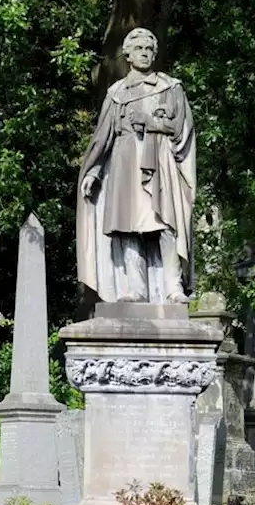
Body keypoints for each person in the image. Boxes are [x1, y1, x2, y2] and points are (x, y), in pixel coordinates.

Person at [75, 27, 197, 304]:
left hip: (160, 163)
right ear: (128, 55)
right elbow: (103, 138)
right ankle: (135, 289)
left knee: (166, 224)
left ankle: (172, 287)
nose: (145, 54)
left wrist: (151, 122)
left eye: (149, 49)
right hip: (124, 164)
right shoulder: (116, 92)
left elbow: (183, 129)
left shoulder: (170, 87)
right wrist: (93, 171)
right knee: (127, 227)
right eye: (139, 49)